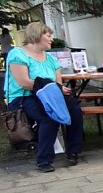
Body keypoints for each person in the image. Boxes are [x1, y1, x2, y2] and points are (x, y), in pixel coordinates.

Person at [4, 22, 84, 173]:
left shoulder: (51, 59)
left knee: (74, 109)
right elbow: (24, 83)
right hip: (24, 96)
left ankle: (73, 151)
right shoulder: (17, 54)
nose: (52, 39)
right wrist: (50, 86)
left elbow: (57, 84)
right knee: (48, 116)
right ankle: (44, 160)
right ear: (36, 36)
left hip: (48, 95)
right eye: (48, 35)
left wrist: (59, 89)